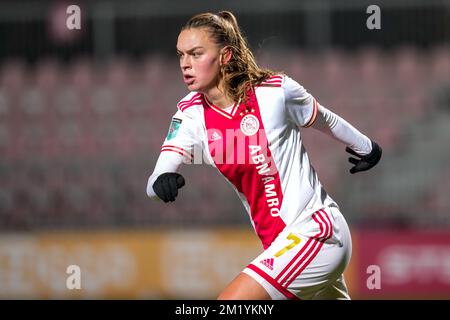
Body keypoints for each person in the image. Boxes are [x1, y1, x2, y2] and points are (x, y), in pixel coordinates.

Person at [146, 11, 382, 300]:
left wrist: (367, 147)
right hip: (281, 245)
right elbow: (157, 177)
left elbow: (324, 119)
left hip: (317, 232)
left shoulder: (274, 92)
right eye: (181, 54)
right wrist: (162, 181)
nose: (185, 63)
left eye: (196, 54)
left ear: (225, 56)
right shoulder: (190, 114)